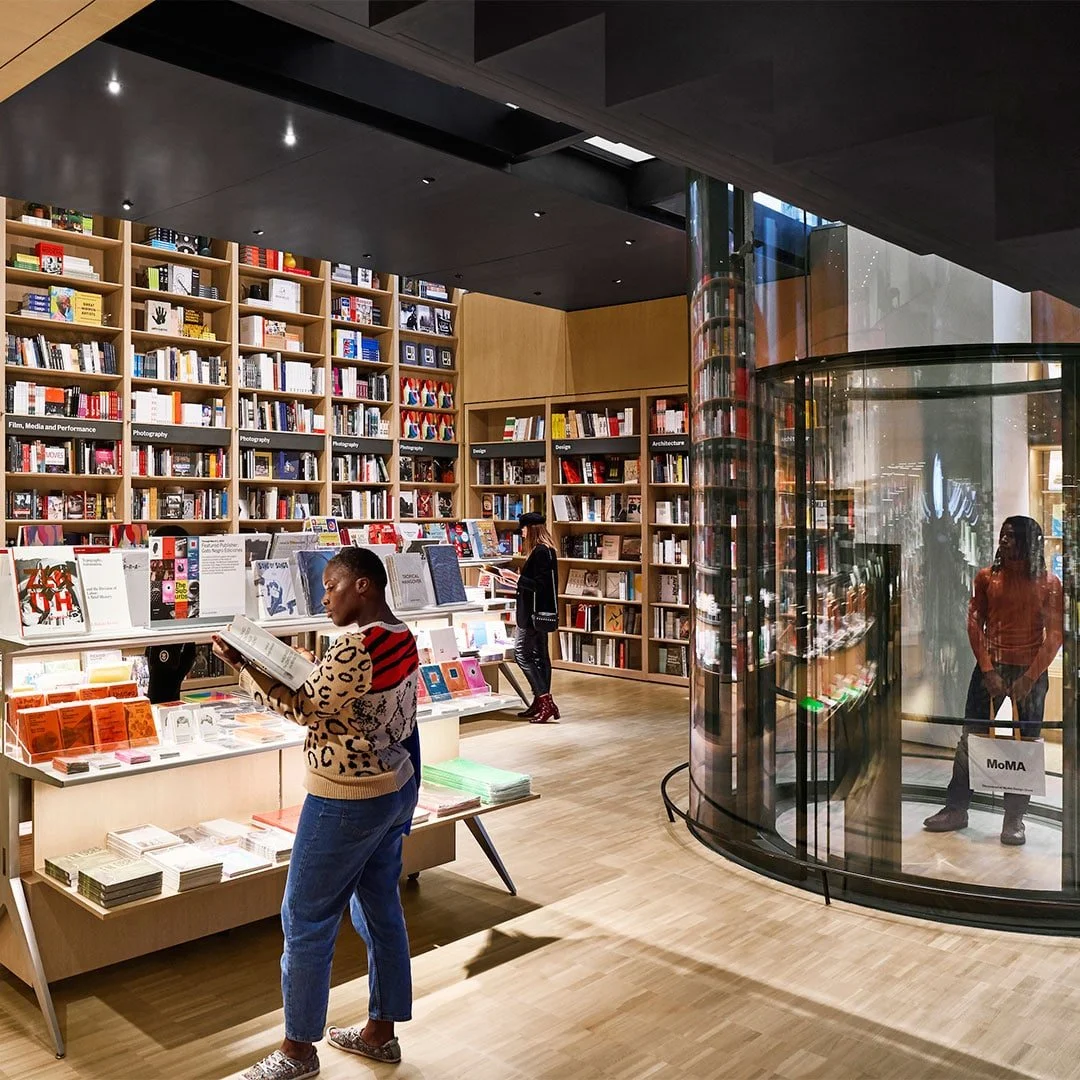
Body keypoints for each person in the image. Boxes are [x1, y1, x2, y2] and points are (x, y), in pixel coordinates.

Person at [212, 546, 420, 1080]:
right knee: (379, 907)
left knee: (304, 918)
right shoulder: (400, 635)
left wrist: (245, 667)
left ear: (364, 587)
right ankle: (381, 1033)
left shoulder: (354, 648)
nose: (324, 596)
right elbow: (338, 698)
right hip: (394, 786)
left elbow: (308, 708)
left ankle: (298, 1052)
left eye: (332, 586)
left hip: (346, 794)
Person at [923, 516, 1063, 846]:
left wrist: (1030, 677)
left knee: (1024, 746)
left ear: (1030, 543)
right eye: (1003, 535)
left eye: (1013, 537)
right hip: (990, 671)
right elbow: (975, 624)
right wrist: (987, 670)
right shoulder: (986, 577)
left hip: (1030, 673)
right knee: (970, 739)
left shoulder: (1049, 582)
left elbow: (1054, 635)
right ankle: (956, 808)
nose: (1005, 541)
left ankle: (1014, 818)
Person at [496, 511, 560, 723]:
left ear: (531, 529)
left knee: (521, 653)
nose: (521, 533)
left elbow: (538, 586)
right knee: (541, 656)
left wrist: (516, 578)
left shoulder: (541, 552)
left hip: (532, 612)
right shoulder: (548, 551)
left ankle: (545, 700)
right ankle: (540, 702)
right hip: (541, 611)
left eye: (523, 529)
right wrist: (517, 581)